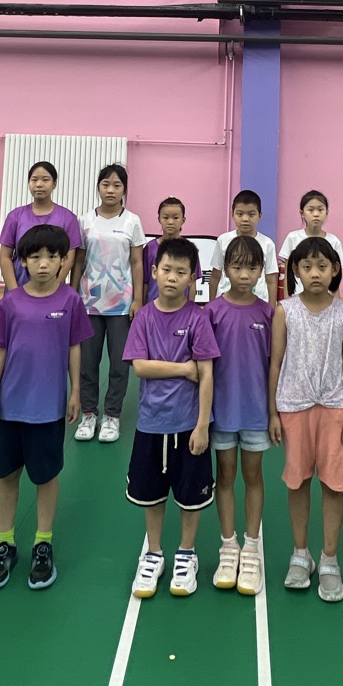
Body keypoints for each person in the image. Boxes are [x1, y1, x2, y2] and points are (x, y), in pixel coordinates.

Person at [0, 224, 92, 592]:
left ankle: (43, 543)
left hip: (49, 408)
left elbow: (75, 347)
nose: (43, 264)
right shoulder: (10, 303)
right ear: (23, 261)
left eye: (51, 257)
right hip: (11, 407)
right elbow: (0, 351)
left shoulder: (70, 301)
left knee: (45, 477)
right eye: (35, 257)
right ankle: (6, 543)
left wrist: (75, 392)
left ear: (63, 261)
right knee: (6, 476)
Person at [124, 237, 219, 598]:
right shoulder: (144, 318)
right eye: (166, 269)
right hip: (151, 423)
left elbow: (206, 374)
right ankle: (153, 554)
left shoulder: (198, 319)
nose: (172, 277)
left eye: (181, 272)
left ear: (193, 278)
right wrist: (182, 368)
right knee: (151, 495)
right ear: (153, 271)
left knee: (190, 497)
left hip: (188, 424)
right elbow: (140, 367)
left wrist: (202, 425)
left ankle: (186, 553)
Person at [269, 236, 343, 601]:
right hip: (293, 407)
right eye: (307, 267)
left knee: (333, 485)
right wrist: (272, 411)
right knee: (298, 482)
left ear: (335, 269)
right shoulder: (284, 311)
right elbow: (275, 362)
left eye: (322, 266)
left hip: (335, 409)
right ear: (295, 270)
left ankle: (329, 560)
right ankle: (300, 553)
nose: (315, 273)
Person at [206, 236, 273, 596]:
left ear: (261, 271)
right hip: (221, 412)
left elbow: (275, 366)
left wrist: (274, 413)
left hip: (256, 413)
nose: (244, 274)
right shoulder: (212, 312)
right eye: (237, 267)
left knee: (253, 476)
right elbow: (203, 368)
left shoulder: (268, 314)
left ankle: (251, 547)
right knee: (225, 476)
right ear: (226, 269)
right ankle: (228, 545)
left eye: (251, 267)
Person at [76, 163, 148, 445]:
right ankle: (89, 414)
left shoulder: (132, 221)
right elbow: (78, 261)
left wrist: (138, 299)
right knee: (87, 364)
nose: (110, 190)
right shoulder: (85, 221)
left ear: (124, 190)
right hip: (88, 304)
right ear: (98, 187)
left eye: (117, 185)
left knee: (119, 365)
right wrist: (73, 296)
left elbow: (138, 262)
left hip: (121, 306)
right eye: (105, 184)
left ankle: (112, 416)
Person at [0, 160, 83, 289]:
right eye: (34, 180)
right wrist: (14, 291)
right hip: (19, 288)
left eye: (45, 180)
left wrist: (54, 288)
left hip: (54, 290)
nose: (39, 184)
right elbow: (5, 257)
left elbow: (69, 259)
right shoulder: (15, 216)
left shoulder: (68, 218)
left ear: (54, 184)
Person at [208, 190, 279, 304]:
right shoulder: (223, 240)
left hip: (258, 304)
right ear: (232, 214)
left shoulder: (267, 244)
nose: (245, 219)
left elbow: (271, 280)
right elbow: (215, 276)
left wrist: (271, 309)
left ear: (260, 215)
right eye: (240, 214)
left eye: (251, 214)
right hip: (226, 303)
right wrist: (211, 305)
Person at [279, 191, 343, 281]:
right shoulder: (292, 238)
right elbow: (288, 274)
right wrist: (288, 291)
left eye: (320, 210)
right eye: (311, 210)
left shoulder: (334, 241)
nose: (316, 214)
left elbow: (336, 276)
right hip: (298, 290)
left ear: (327, 213)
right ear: (302, 213)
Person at [143, 196, 195, 306]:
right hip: (153, 307)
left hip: (181, 308)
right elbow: (145, 281)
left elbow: (193, 283)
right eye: (166, 218)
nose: (170, 222)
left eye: (175, 218)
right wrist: (143, 306)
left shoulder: (189, 249)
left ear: (183, 220)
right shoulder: (150, 248)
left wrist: (190, 308)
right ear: (159, 219)